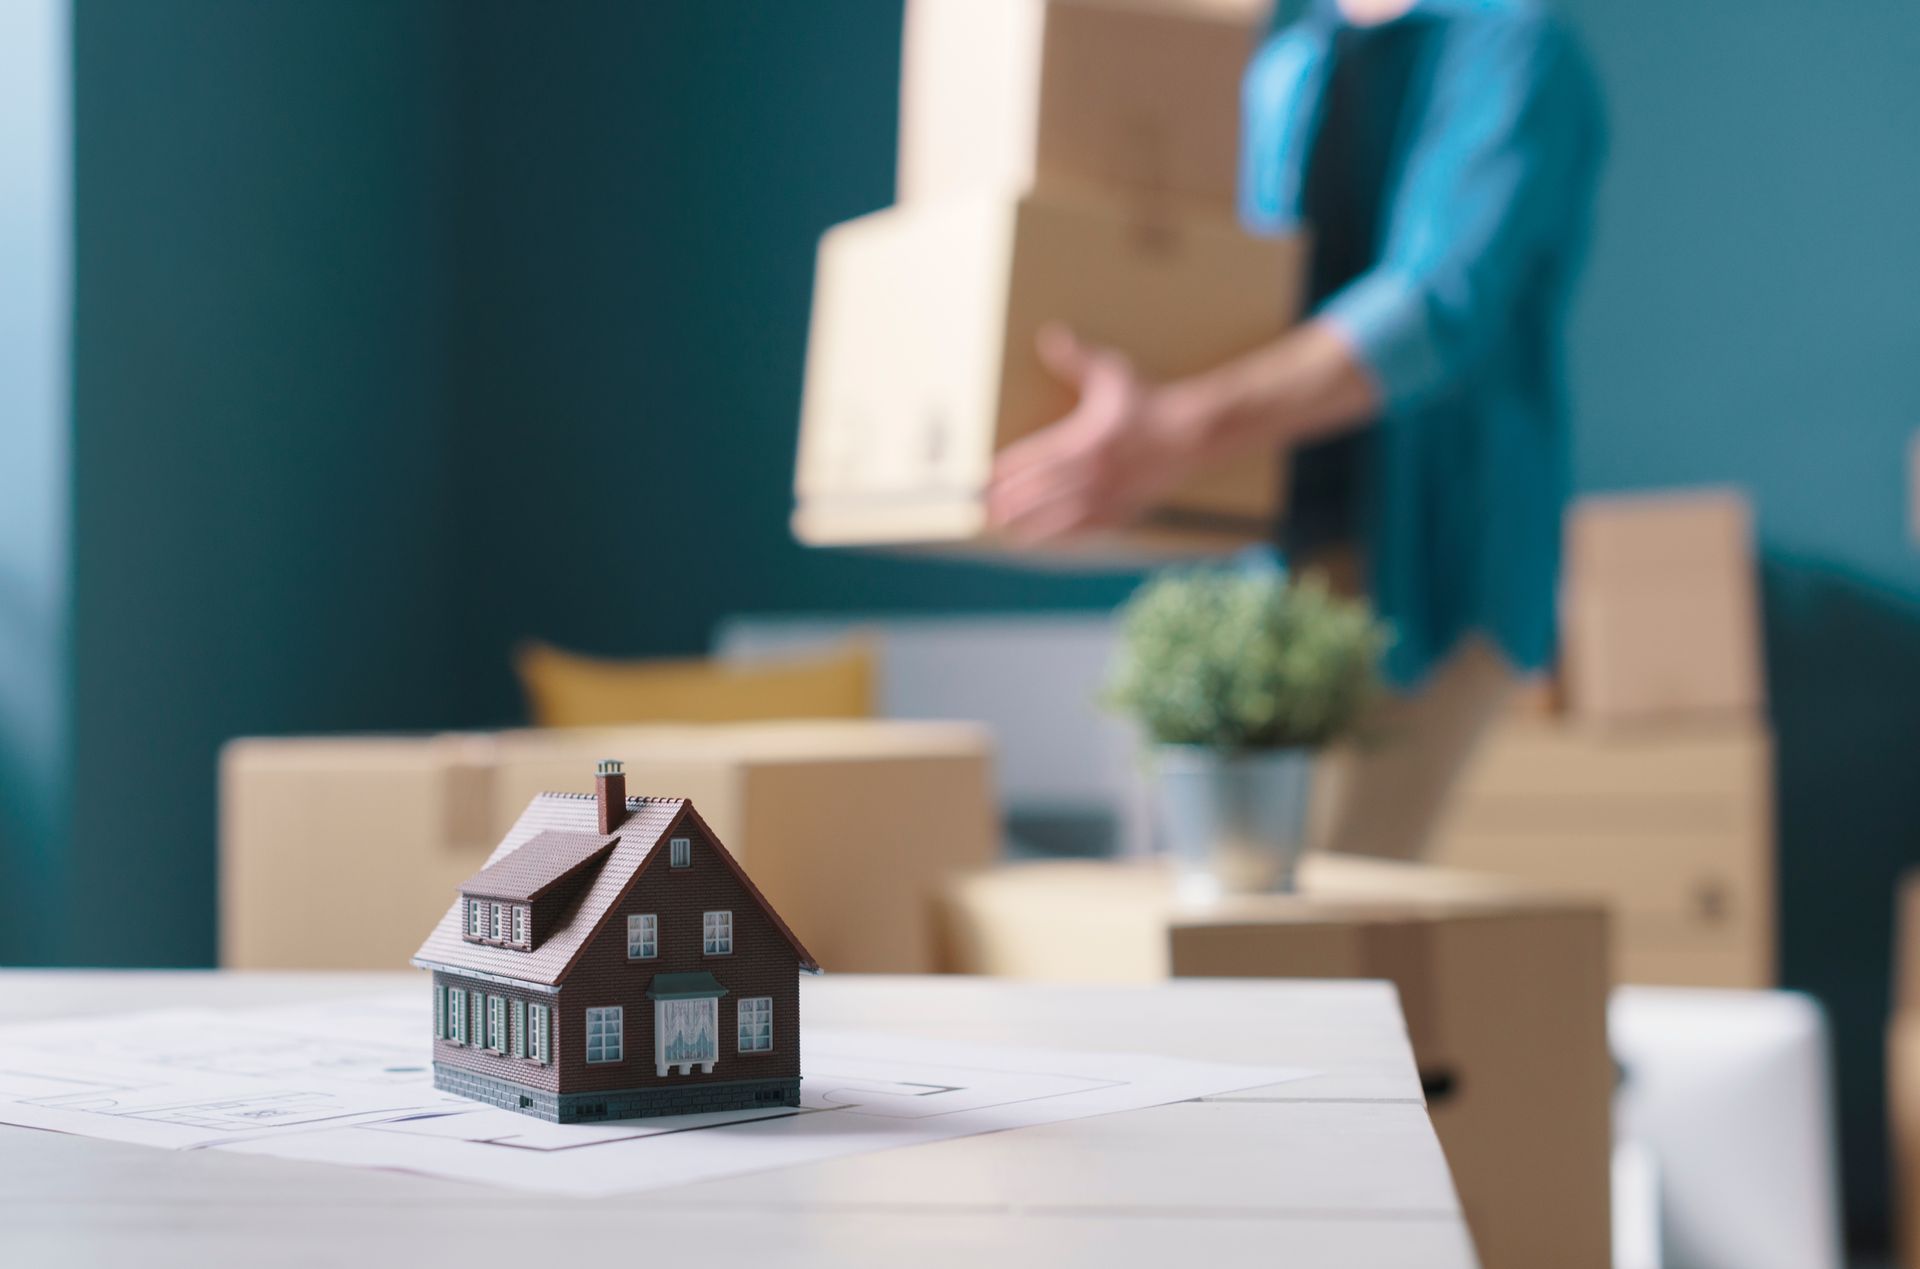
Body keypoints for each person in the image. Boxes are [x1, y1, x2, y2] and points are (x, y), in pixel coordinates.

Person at [986, 0, 1607, 860]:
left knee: (1342, 887)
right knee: (1247, 889)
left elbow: (1436, 308)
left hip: (1437, 566)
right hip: (1275, 559)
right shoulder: (1288, 65)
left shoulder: (1515, 48)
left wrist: (1176, 429)